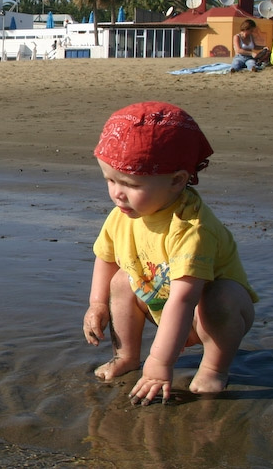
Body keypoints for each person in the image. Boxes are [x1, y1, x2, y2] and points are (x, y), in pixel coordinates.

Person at [83, 101, 257, 403]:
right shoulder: (122, 215)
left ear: (177, 181)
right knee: (122, 280)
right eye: (110, 180)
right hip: (158, 302)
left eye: (130, 184)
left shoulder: (192, 228)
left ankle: (214, 368)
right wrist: (97, 304)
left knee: (222, 295)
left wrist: (159, 364)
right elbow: (106, 257)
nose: (117, 193)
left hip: (205, 314)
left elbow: (184, 299)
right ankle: (126, 355)